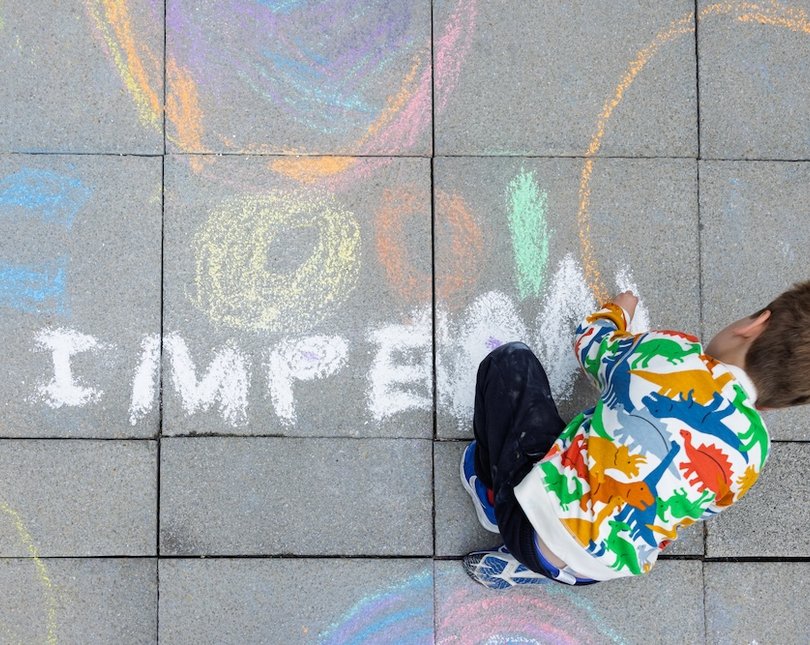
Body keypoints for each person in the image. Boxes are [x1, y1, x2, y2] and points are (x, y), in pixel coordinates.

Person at [460, 281, 810, 588]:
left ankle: (493, 500)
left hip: (527, 519)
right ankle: (531, 568)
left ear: (755, 324)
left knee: (511, 362)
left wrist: (616, 313)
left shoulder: (674, 353)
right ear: (774, 405)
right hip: (596, 569)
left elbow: (589, 342)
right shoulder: (756, 451)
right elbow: (705, 508)